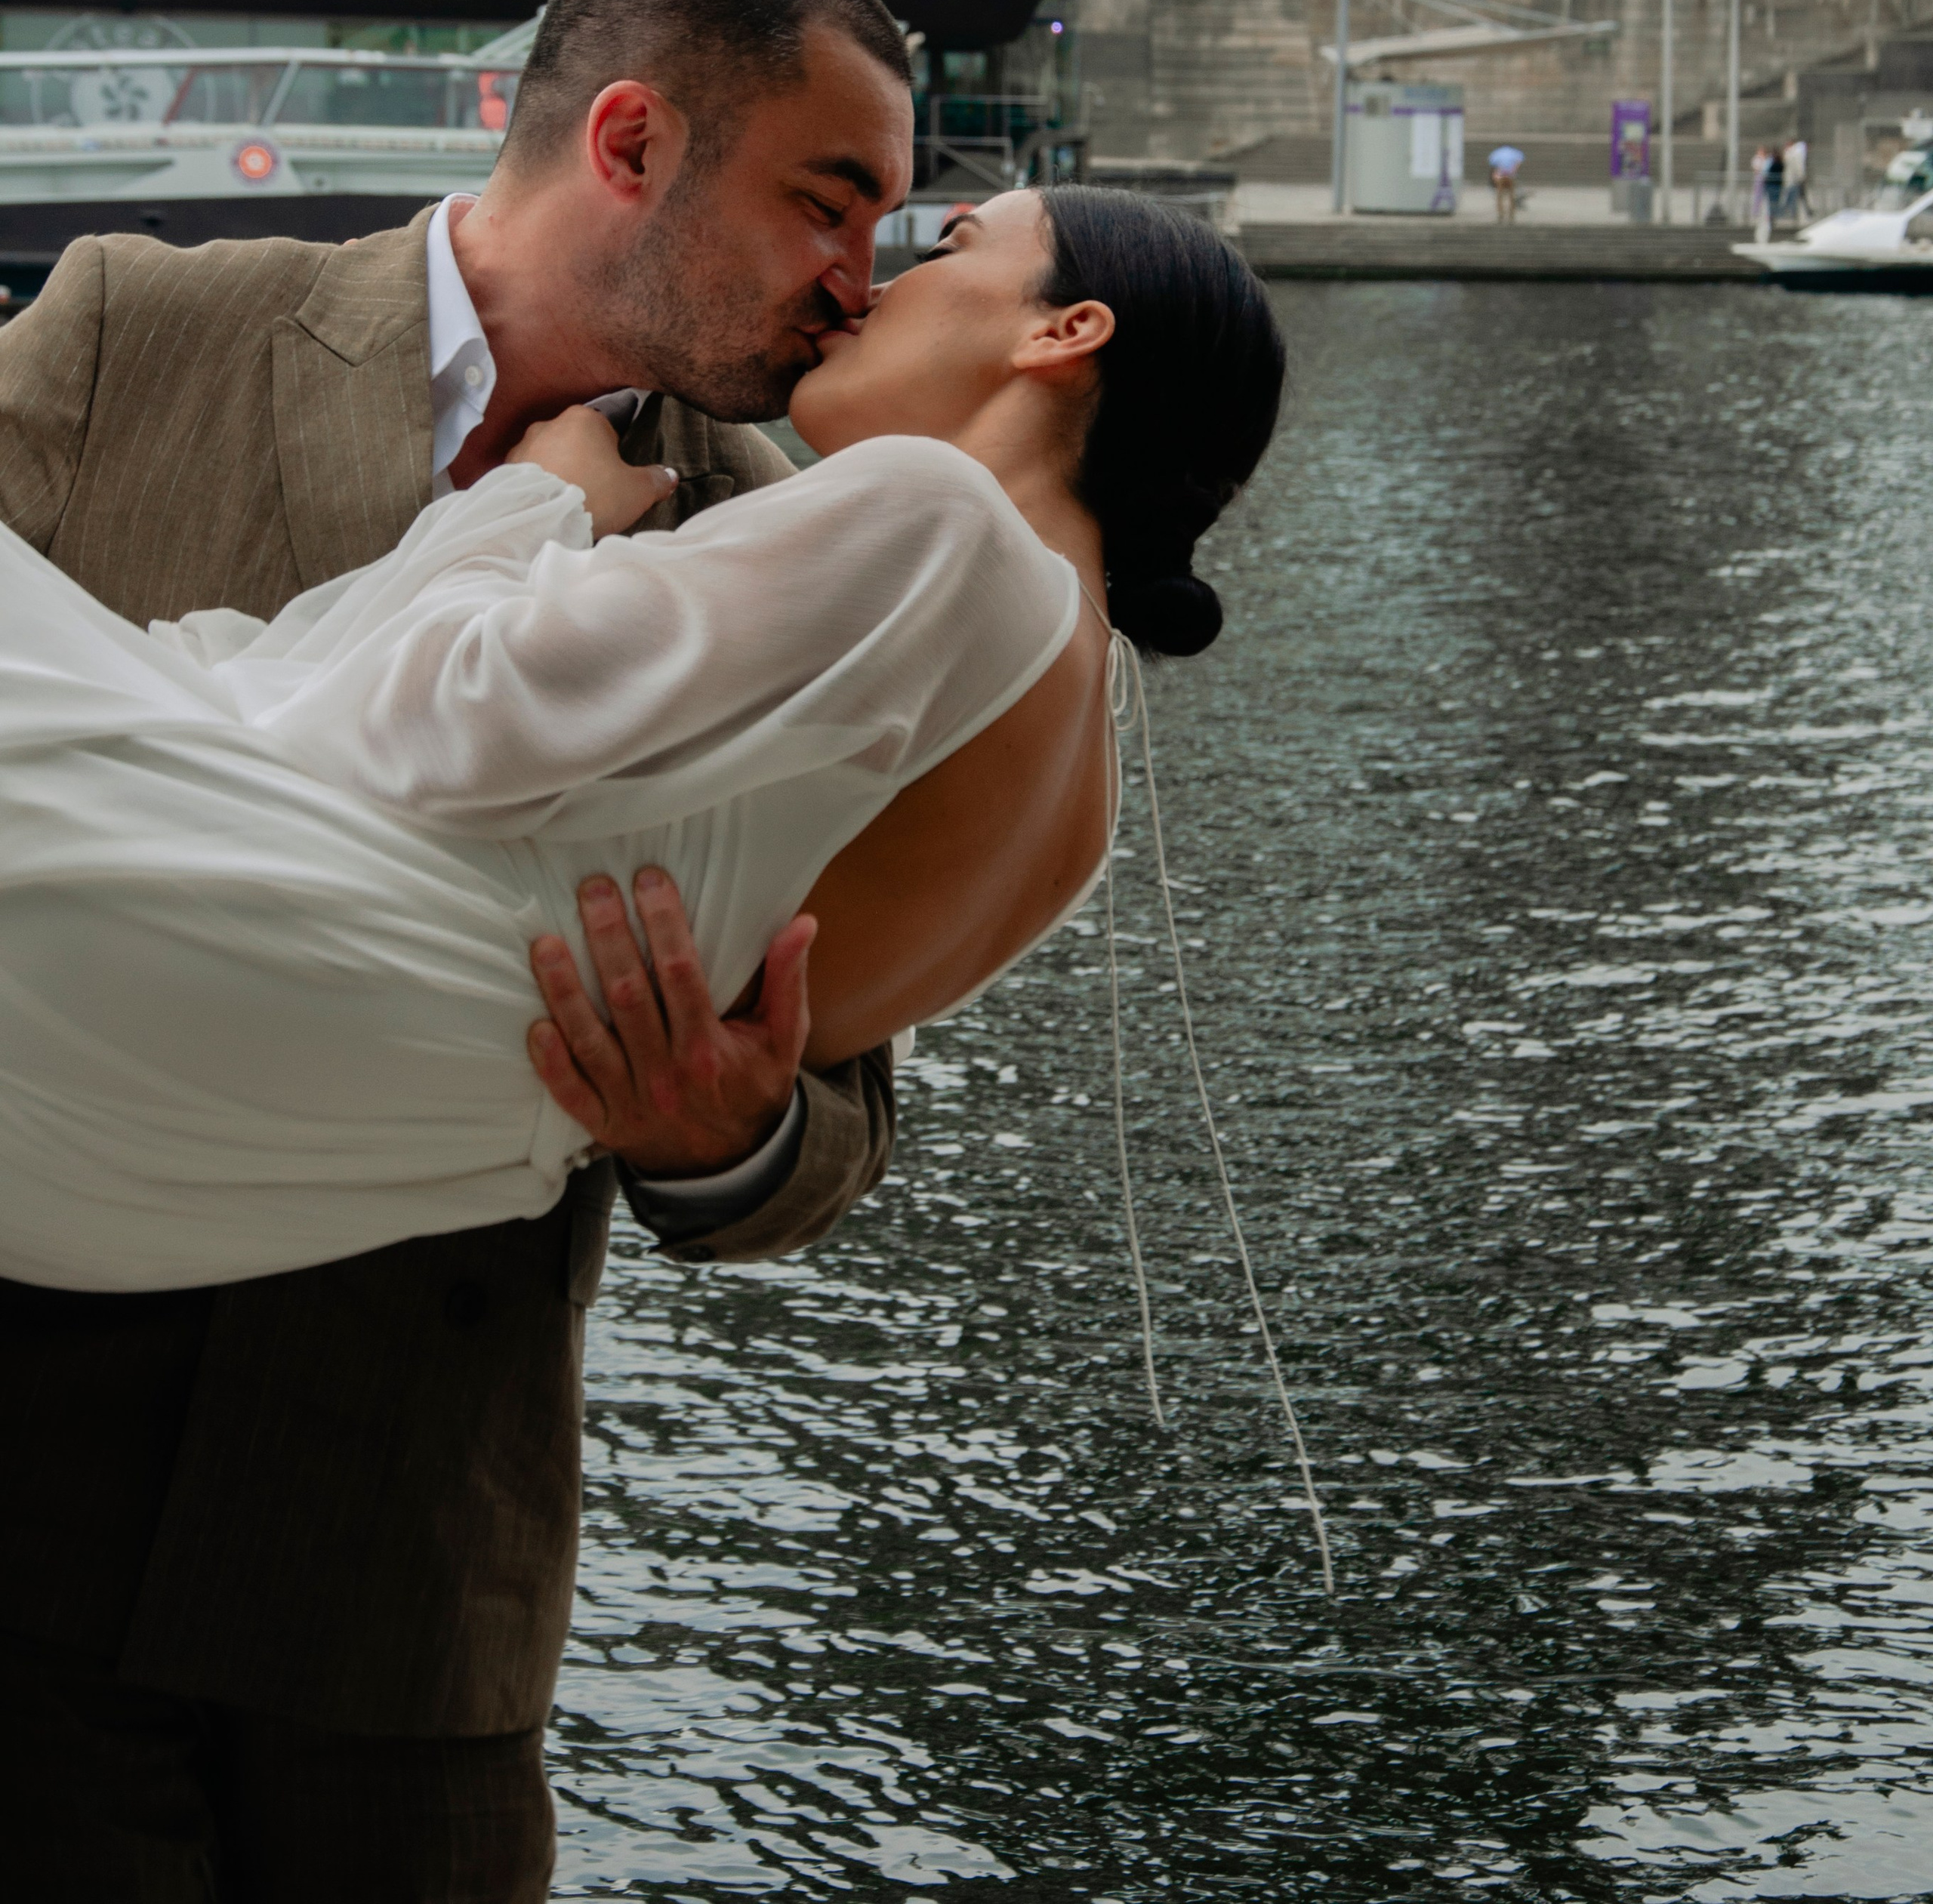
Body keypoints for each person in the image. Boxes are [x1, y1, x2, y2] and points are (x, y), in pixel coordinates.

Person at [0, 0, 919, 1900]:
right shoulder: (128, 331)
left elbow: (845, 1110)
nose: (860, 291)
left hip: (404, 1592)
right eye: (828, 207)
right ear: (632, 144)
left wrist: (725, 1132)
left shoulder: (789, 549)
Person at [0, 177, 1282, 1296]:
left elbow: (403, 719)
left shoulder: (939, 518)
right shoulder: (1083, 763)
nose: (867, 285)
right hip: (320, 1166)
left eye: (946, 246)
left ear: (1067, 330)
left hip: (263, 943)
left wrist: (536, 506)